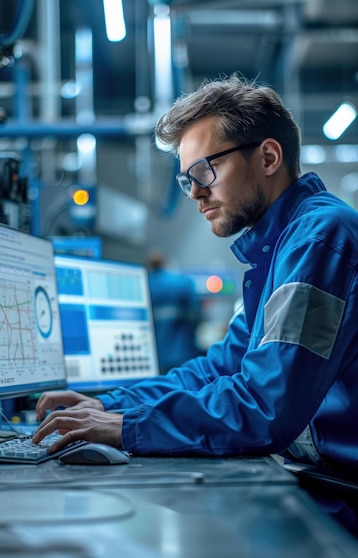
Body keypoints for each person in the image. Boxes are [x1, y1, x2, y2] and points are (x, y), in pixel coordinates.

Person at [33, 74, 358, 480]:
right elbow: (218, 369)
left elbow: (265, 408)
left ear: (269, 157)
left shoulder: (320, 239)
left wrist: (128, 427)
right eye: (187, 180)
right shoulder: (278, 253)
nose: (195, 193)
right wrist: (110, 405)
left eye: (206, 170)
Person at [147, 250, 200, 373]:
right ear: (165, 263)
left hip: (155, 353)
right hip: (182, 349)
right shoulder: (182, 282)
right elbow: (196, 312)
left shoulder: (145, 283)